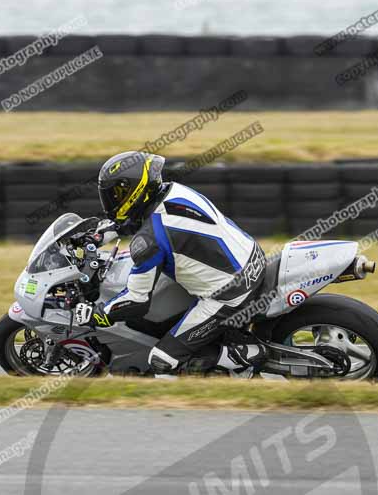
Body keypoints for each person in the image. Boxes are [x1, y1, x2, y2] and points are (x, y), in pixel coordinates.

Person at [74, 151, 268, 375]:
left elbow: (136, 301)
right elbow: (146, 221)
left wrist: (97, 314)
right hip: (252, 259)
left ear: (135, 189)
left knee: (161, 361)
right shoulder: (173, 191)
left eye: (118, 193)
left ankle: (245, 353)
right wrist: (99, 235)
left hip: (230, 295)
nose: (112, 200)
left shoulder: (148, 241)